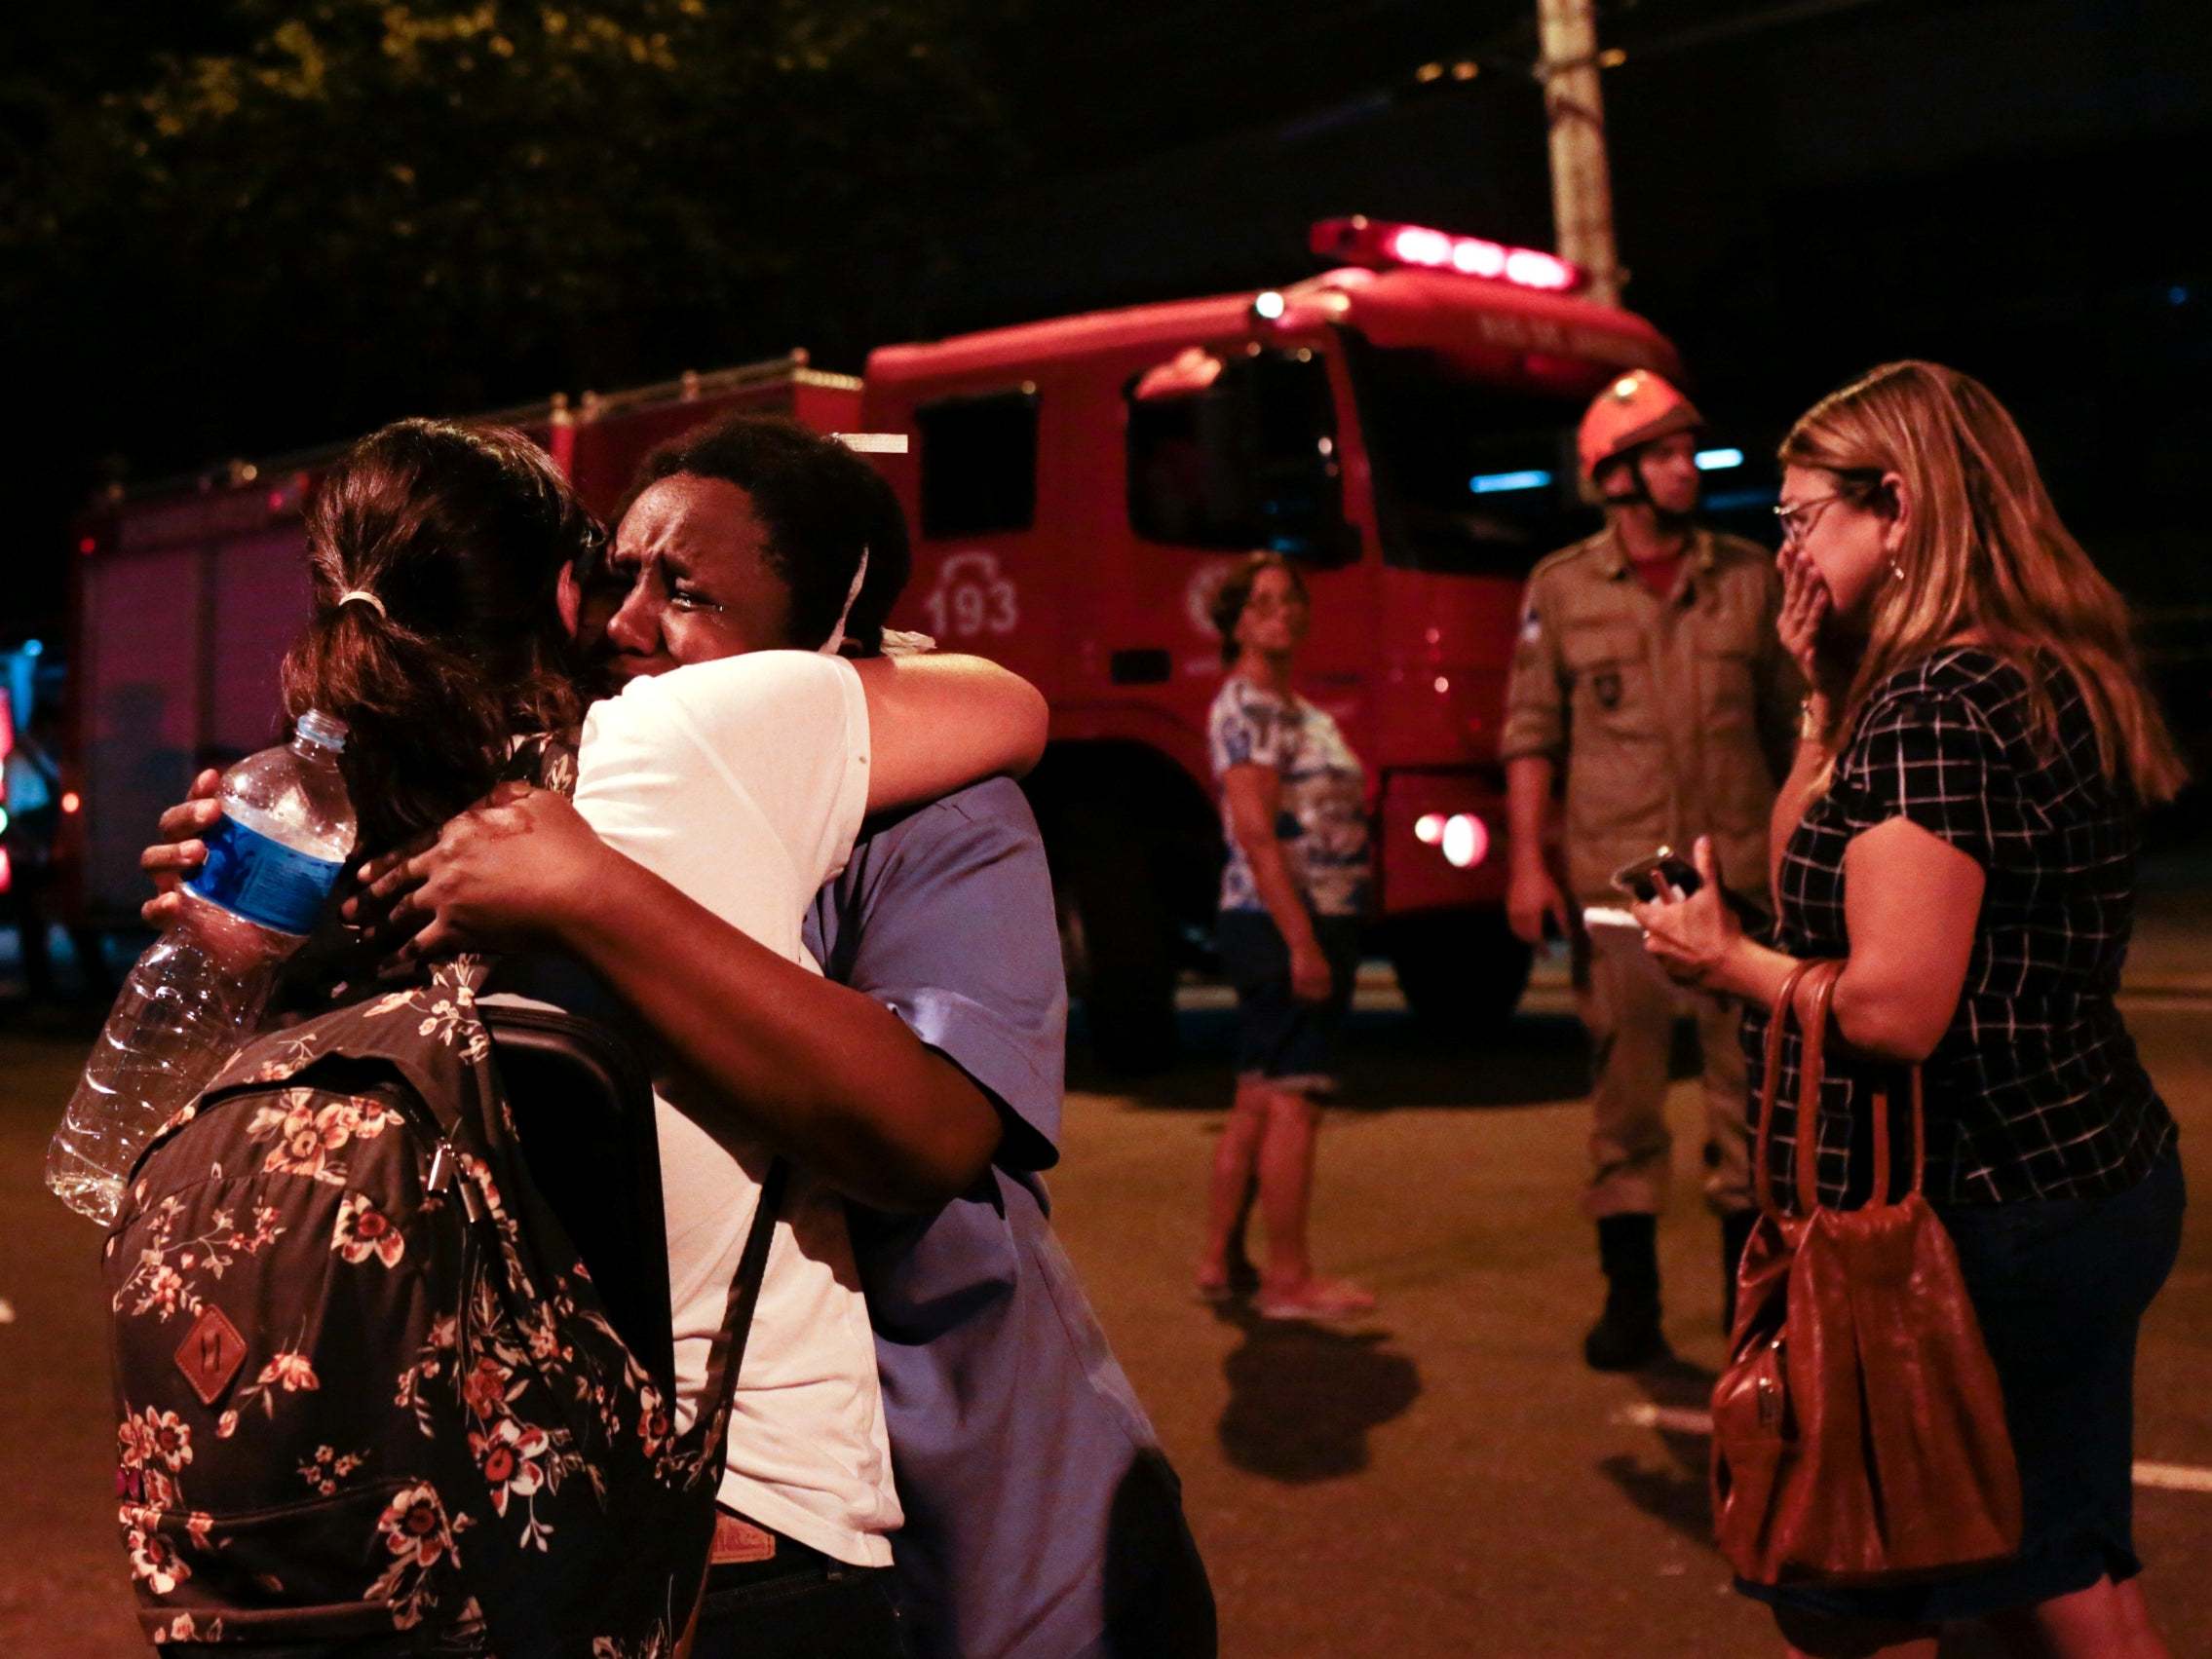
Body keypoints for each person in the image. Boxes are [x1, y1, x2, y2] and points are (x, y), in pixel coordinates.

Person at [254, 414, 1216, 1657]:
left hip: (949, 1467)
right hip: (651, 1501)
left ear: (831, 643)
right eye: (617, 575)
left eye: (685, 589)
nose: (627, 621)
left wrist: (598, 897)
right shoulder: (542, 791)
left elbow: (923, 1132)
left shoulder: (937, 824)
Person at [1632, 360, 2187, 1659]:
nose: (1784, 549)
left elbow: (1886, 1006)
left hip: (1991, 1203)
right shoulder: (2015, 669)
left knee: (1981, 1575)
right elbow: (1797, 872)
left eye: (1797, 516)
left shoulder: (1943, 704)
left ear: (1895, 504)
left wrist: (1721, 961)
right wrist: (1819, 693)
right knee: (2008, 1562)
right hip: (2081, 1168)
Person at [1500, 369, 1800, 1370]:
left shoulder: (1749, 577)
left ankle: (1746, 1313)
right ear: (1614, 473)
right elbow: (1532, 733)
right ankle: (1628, 1303)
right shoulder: (1560, 587)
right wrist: (1524, 863)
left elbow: (1789, 726)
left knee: (1746, 1106)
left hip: (1737, 883)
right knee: (1622, 1100)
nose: (1687, 468)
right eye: (1665, 453)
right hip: (1617, 888)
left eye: (1687, 451)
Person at [1195, 552, 1375, 1322]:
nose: (1283, 612)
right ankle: (1288, 1278)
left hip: (1291, 916)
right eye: (1263, 602)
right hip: (1284, 919)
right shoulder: (1250, 710)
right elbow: (1257, 834)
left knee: (1259, 1093)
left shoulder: (1290, 709)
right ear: (1236, 621)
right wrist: (1302, 941)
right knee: (1297, 1100)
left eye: (1292, 599)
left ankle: (1220, 1259)